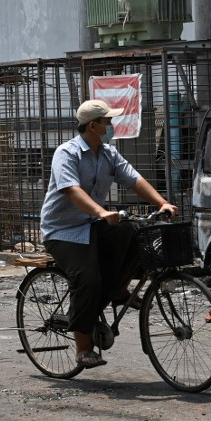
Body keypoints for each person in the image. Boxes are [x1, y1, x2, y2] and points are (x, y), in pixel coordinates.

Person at [40, 99, 178, 368]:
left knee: (133, 234)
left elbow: (133, 178)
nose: (111, 125)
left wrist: (161, 203)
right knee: (87, 278)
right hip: (62, 231)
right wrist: (100, 213)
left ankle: (117, 289)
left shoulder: (108, 154)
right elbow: (71, 190)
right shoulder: (66, 154)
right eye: (107, 121)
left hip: (90, 226)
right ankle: (82, 348)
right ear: (93, 125)